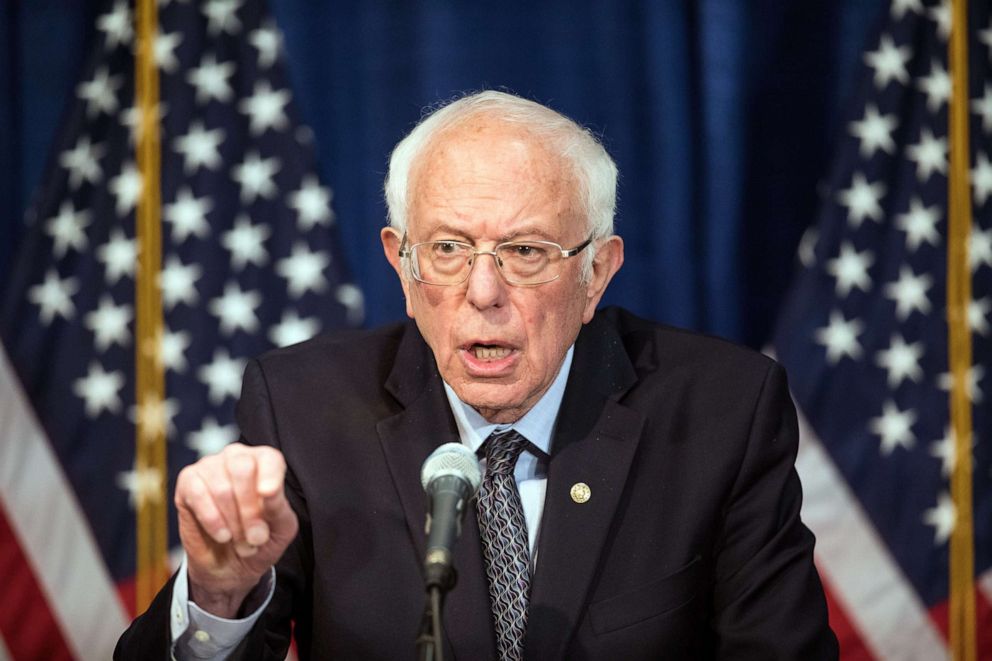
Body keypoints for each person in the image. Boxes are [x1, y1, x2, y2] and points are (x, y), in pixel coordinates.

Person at [116, 91, 838, 660]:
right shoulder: (307, 413)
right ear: (404, 266)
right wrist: (218, 594)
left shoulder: (722, 413)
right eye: (450, 248)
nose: (483, 291)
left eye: (524, 250)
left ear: (595, 274)